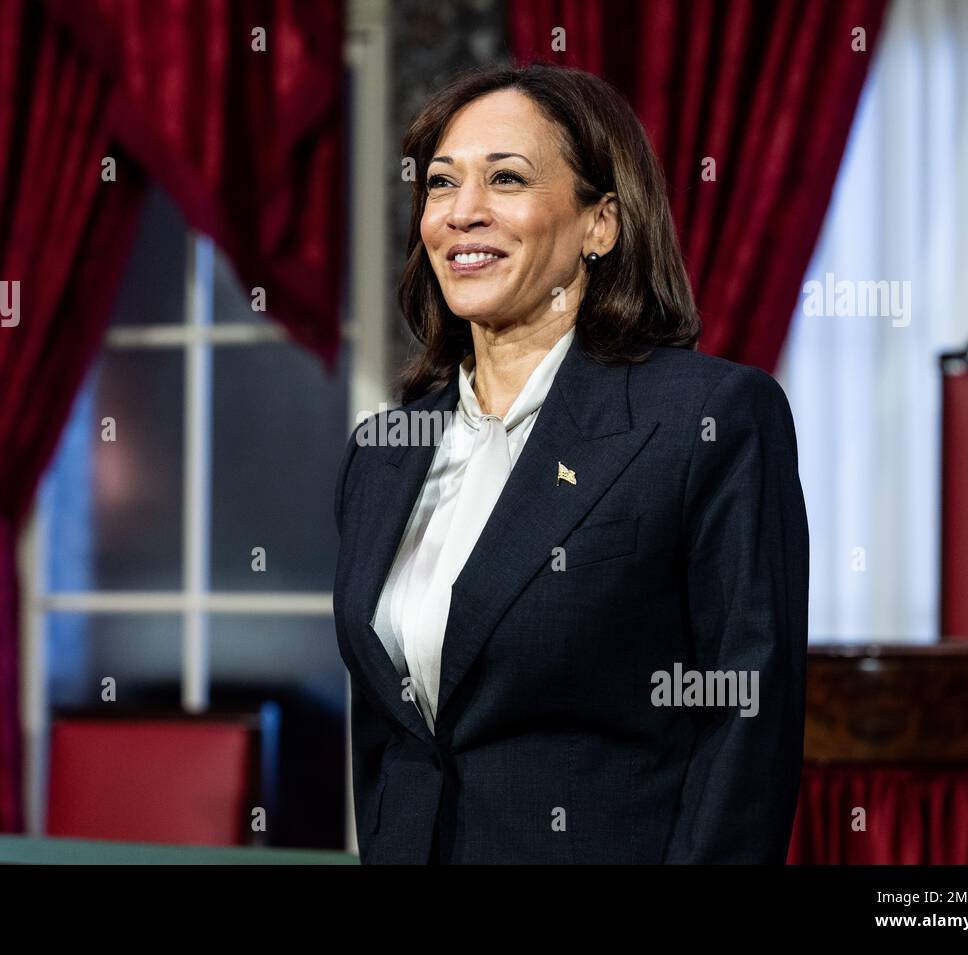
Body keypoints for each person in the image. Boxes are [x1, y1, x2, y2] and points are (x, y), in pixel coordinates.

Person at [332, 63, 809, 864]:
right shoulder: (381, 453)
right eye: (441, 184)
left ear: (602, 224)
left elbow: (747, 731)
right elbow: (389, 742)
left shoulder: (709, 419)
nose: (463, 213)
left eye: (506, 179)